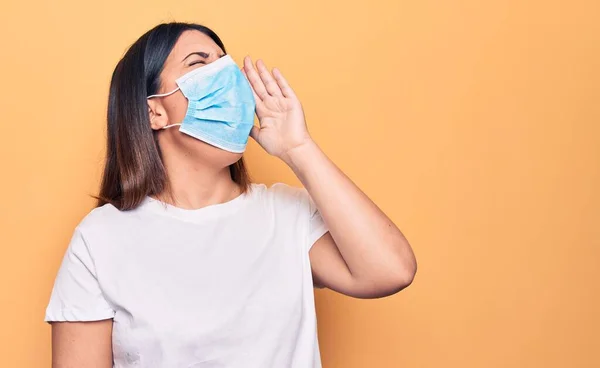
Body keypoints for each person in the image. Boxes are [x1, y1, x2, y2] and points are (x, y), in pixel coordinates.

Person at [44, 22, 417, 368]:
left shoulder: (287, 214)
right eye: (199, 63)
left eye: (226, 63)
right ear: (154, 111)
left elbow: (392, 271)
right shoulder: (101, 238)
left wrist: (298, 148)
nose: (227, 77)